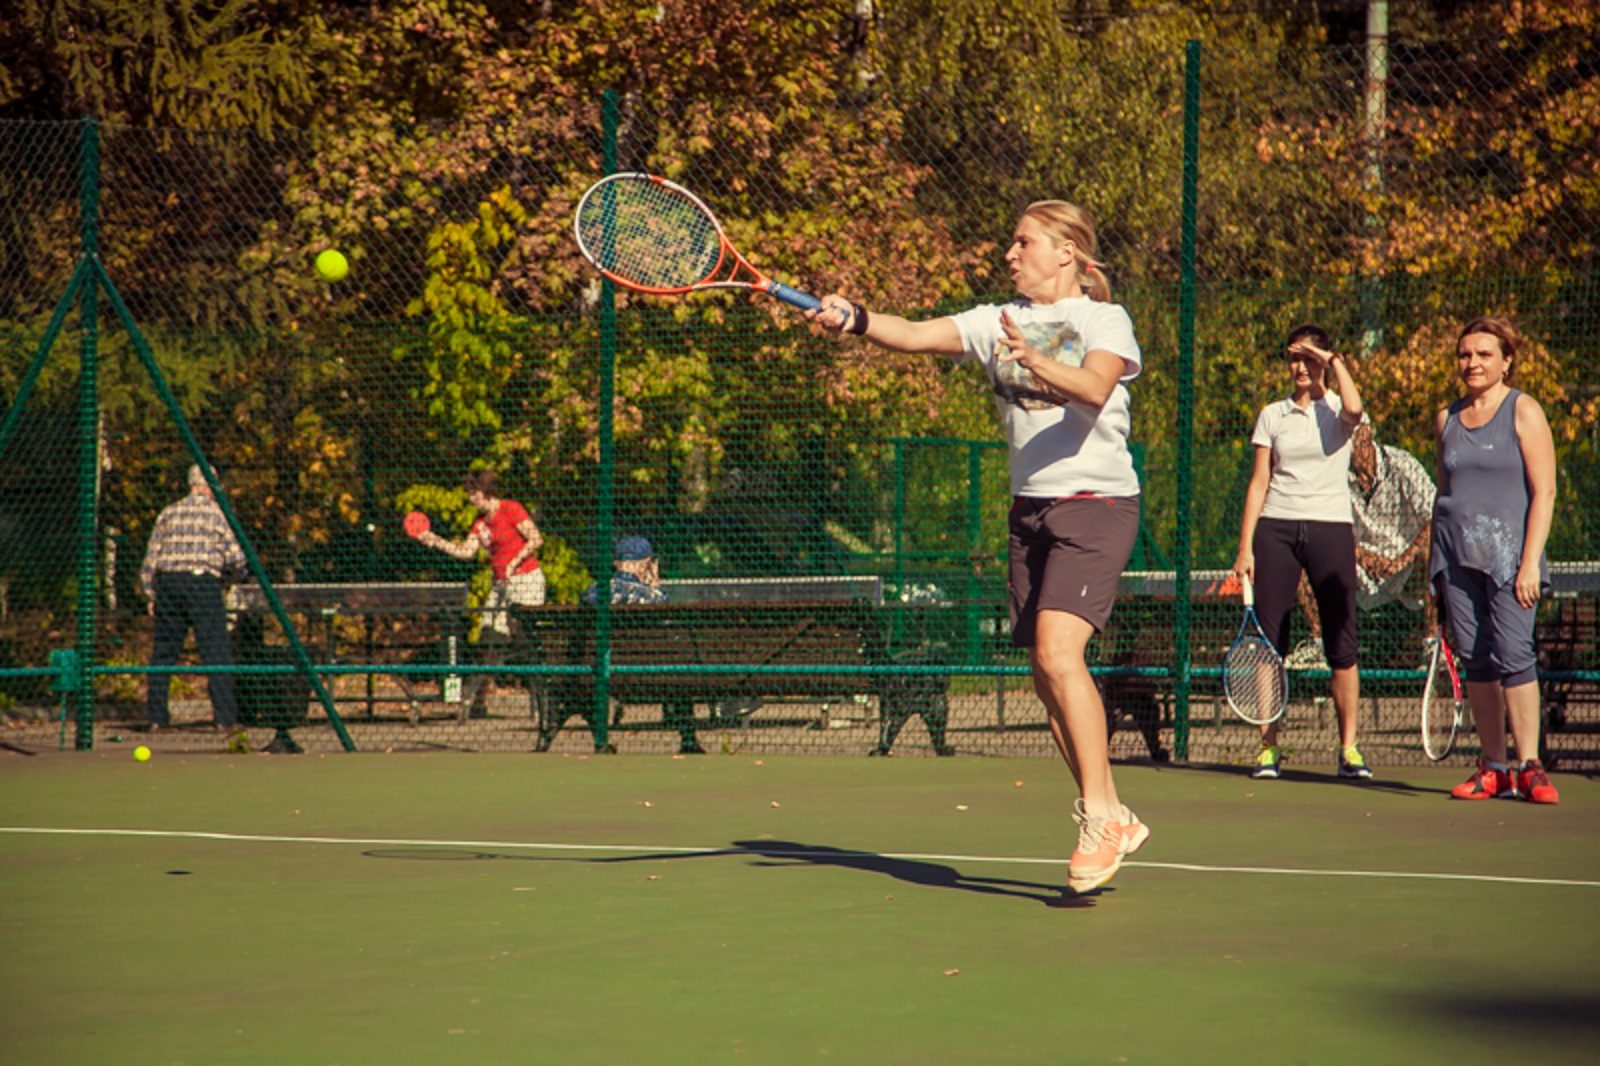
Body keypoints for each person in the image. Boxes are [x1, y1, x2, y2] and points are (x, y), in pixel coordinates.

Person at [807, 199, 1149, 894]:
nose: (1009, 254)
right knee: (1045, 674)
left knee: (1060, 653)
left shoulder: (1103, 319)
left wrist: (1036, 359)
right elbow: (913, 334)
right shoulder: (995, 320)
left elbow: (1094, 387)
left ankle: (1098, 815)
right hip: (1029, 510)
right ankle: (1112, 812)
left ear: (1066, 252)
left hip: (1097, 504)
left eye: (1024, 242)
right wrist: (858, 319)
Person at [1231, 324, 1369, 781]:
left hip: (1332, 528)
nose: (1300, 366)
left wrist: (1330, 359)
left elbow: (1356, 408)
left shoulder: (1339, 410)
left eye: (1309, 358)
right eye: (1294, 357)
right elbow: (1259, 482)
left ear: (1325, 361)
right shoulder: (1272, 414)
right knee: (1269, 644)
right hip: (1277, 529)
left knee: (1341, 644)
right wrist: (1245, 547)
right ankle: (1268, 748)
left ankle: (1349, 750)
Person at [1431, 316, 1559, 804]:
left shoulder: (1523, 410)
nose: (1473, 363)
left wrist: (1530, 563)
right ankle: (1494, 768)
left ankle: (1530, 767)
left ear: (1506, 361)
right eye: (1465, 354)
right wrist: (1434, 569)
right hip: (1455, 559)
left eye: (1484, 354)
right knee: (1477, 659)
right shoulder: (1446, 419)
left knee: (1514, 653)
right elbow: (1444, 494)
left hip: (1510, 558)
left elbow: (1544, 492)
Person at [1286, 423, 1438, 666]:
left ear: (1366, 434)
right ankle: (1319, 644)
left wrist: (1402, 560)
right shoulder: (1333, 474)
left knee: (1435, 546)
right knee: (1302, 548)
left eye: (1348, 438)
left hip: (1408, 570)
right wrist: (1358, 553)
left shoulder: (1402, 464)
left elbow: (1435, 516)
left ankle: (1432, 646)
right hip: (1357, 568)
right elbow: (1321, 526)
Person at [140, 463, 246, 734]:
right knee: (215, 651)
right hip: (202, 584)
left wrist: (151, 593)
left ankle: (157, 718)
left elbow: (150, 559)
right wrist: (229, 579)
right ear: (210, 486)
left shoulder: (168, 513)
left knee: (164, 652)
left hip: (169, 584)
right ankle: (225, 719)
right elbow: (237, 558)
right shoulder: (216, 513)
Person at [580, 536, 701, 753]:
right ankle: (688, 740)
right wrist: (655, 584)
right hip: (656, 676)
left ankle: (601, 740)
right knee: (681, 674)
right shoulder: (654, 597)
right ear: (646, 564)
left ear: (616, 563)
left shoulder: (592, 593)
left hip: (602, 674)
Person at [412, 469, 545, 636]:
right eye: (469, 493)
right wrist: (436, 540)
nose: (471, 498)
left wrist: (513, 563)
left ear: (487, 490)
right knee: (488, 630)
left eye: (474, 493)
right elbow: (466, 552)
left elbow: (536, 539)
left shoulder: (511, 508)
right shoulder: (480, 523)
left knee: (517, 633)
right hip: (501, 584)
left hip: (526, 580)